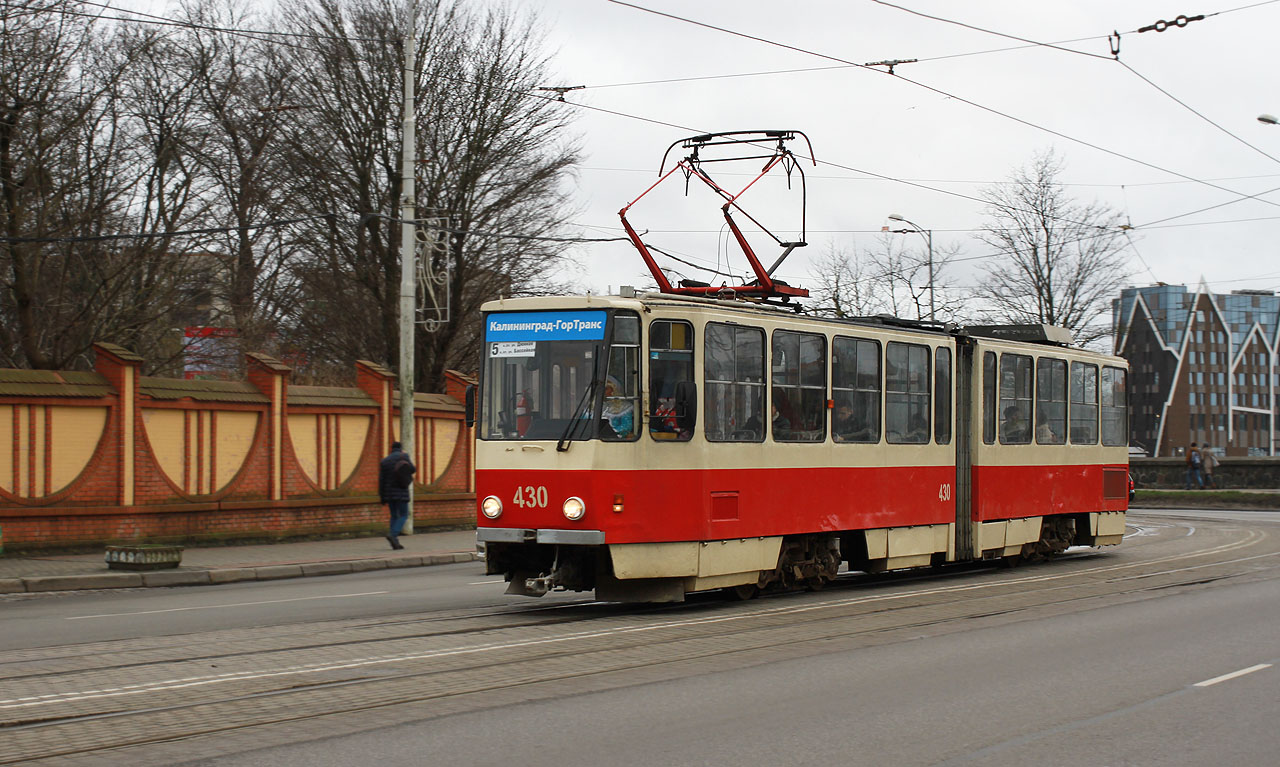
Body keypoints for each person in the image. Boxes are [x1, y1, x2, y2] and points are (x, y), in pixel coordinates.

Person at [378, 441, 415, 550]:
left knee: (394, 516)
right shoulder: (404, 456)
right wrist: (405, 457)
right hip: (401, 492)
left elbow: (381, 480)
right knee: (404, 515)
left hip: (389, 494)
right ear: (400, 448)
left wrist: (382, 496)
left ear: (391, 449)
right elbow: (413, 469)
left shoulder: (385, 461)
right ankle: (393, 535)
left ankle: (395, 543)